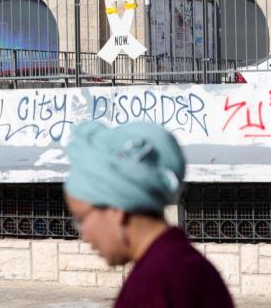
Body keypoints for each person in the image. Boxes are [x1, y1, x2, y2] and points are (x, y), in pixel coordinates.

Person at [64, 122, 234, 308]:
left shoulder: (154, 284)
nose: (84, 235)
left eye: (81, 219)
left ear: (115, 210)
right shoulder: (185, 265)